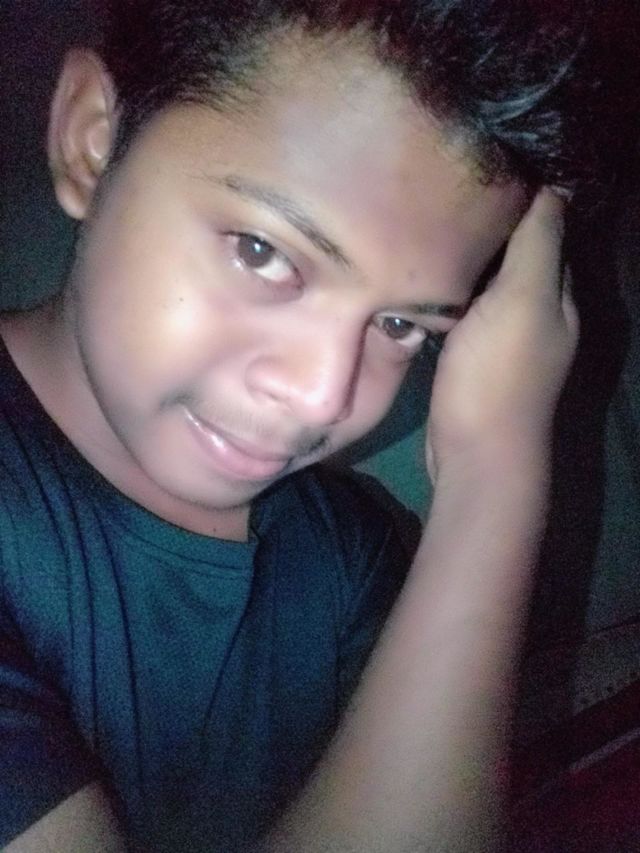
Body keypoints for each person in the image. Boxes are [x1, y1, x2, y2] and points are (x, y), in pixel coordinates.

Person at [0, 1, 597, 850]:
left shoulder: (350, 553)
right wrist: (498, 476)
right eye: (262, 252)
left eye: (401, 325)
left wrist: (489, 467)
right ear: (92, 140)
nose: (323, 396)